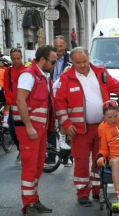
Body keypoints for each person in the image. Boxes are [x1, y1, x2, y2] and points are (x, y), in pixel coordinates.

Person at [55, 47, 119, 207]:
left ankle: (97, 190)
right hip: (79, 129)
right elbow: (59, 104)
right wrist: (66, 124)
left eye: (84, 61)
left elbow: (118, 87)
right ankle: (82, 193)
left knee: (100, 159)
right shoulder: (66, 78)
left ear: (88, 58)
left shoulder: (101, 73)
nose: (82, 65)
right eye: (78, 63)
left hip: (103, 127)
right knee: (81, 161)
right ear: (72, 62)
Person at [12, 45, 57, 216]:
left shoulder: (42, 76)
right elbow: (20, 101)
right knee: (30, 167)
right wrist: (29, 126)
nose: (55, 64)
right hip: (29, 128)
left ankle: (34, 200)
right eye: (52, 61)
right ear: (42, 60)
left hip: (40, 128)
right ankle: (28, 204)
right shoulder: (29, 75)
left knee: (38, 167)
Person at [45, 37, 72, 166]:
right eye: (57, 46)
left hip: (65, 94)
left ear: (65, 46)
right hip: (50, 92)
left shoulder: (71, 58)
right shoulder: (49, 57)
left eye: (61, 46)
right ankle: (51, 156)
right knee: (50, 123)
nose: (59, 49)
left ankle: (66, 157)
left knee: (64, 123)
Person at [3, 48, 26, 163]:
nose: (16, 61)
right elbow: (7, 88)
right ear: (11, 59)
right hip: (14, 105)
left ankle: (25, 150)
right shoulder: (8, 72)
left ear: (21, 58)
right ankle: (20, 149)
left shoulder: (27, 70)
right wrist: (10, 100)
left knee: (24, 129)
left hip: (25, 105)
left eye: (18, 58)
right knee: (12, 128)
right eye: (14, 59)